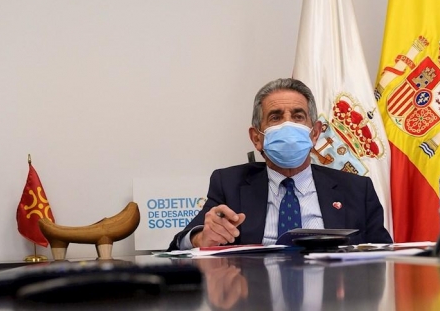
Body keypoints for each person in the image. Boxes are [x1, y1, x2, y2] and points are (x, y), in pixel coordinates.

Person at [168, 78, 392, 250]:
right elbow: (179, 244)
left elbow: (384, 256)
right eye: (275, 117)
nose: (288, 125)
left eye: (297, 116)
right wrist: (200, 237)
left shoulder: (356, 189)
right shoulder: (229, 184)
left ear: (314, 134)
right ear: (257, 138)